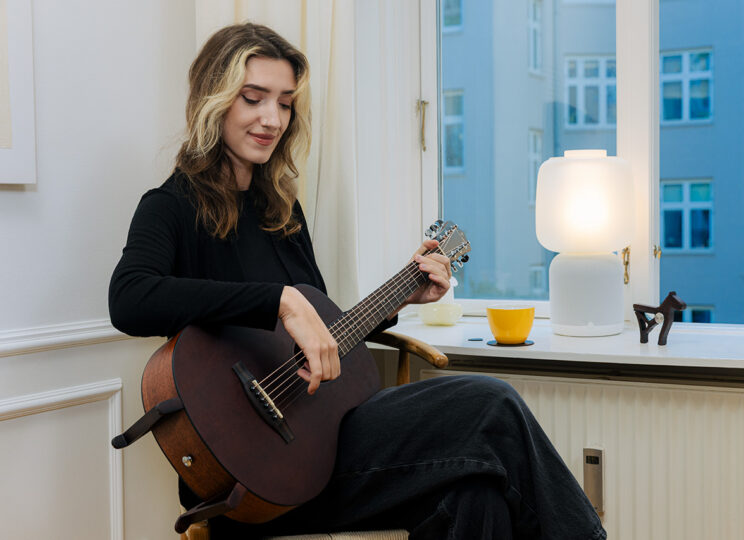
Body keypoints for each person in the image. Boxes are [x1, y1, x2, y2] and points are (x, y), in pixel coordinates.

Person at [109, 23, 606, 540]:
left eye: (285, 104)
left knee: (476, 498)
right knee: (492, 403)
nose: (271, 119)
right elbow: (129, 299)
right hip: (247, 475)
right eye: (253, 98)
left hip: (318, 444)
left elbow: (323, 336)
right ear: (214, 99)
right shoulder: (170, 205)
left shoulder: (281, 211)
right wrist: (279, 302)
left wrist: (402, 298)